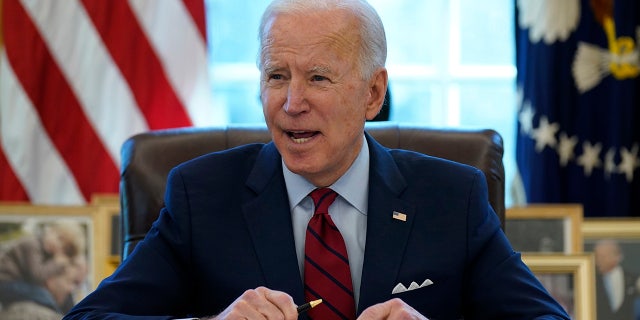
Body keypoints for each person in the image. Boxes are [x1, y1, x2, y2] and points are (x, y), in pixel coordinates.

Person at [64, 0, 570, 319]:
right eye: (276, 76)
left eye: (319, 78)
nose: (291, 103)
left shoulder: (451, 199)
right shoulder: (202, 195)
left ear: (373, 94)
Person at [0, 220, 87, 316]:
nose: (58, 246)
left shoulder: (45, 253)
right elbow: (36, 275)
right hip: (6, 282)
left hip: (17, 283)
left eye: (64, 247)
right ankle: (57, 315)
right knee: (43, 295)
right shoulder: (32, 245)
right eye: (59, 238)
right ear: (50, 231)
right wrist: (56, 263)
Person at [593, 239, 640, 320]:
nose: (598, 261)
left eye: (602, 257)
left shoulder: (633, 279)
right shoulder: (590, 281)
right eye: (596, 257)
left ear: (617, 256)